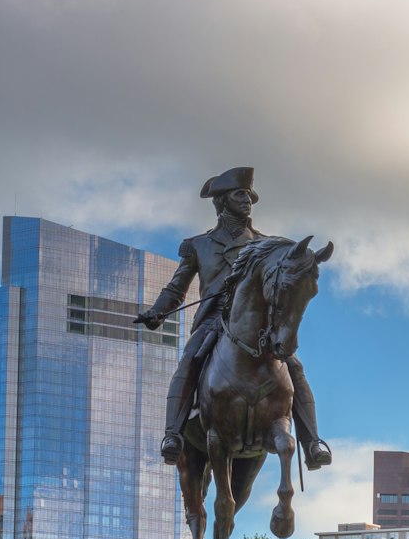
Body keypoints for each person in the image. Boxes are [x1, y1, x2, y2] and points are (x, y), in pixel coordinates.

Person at [136, 166, 333, 471]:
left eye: (250, 196)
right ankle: (173, 435)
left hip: (257, 324)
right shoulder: (198, 245)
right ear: (222, 201)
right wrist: (157, 311)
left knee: (293, 366)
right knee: (190, 360)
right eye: (240, 195)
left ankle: (312, 442)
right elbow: (176, 289)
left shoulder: (265, 244)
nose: (247, 201)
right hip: (215, 320)